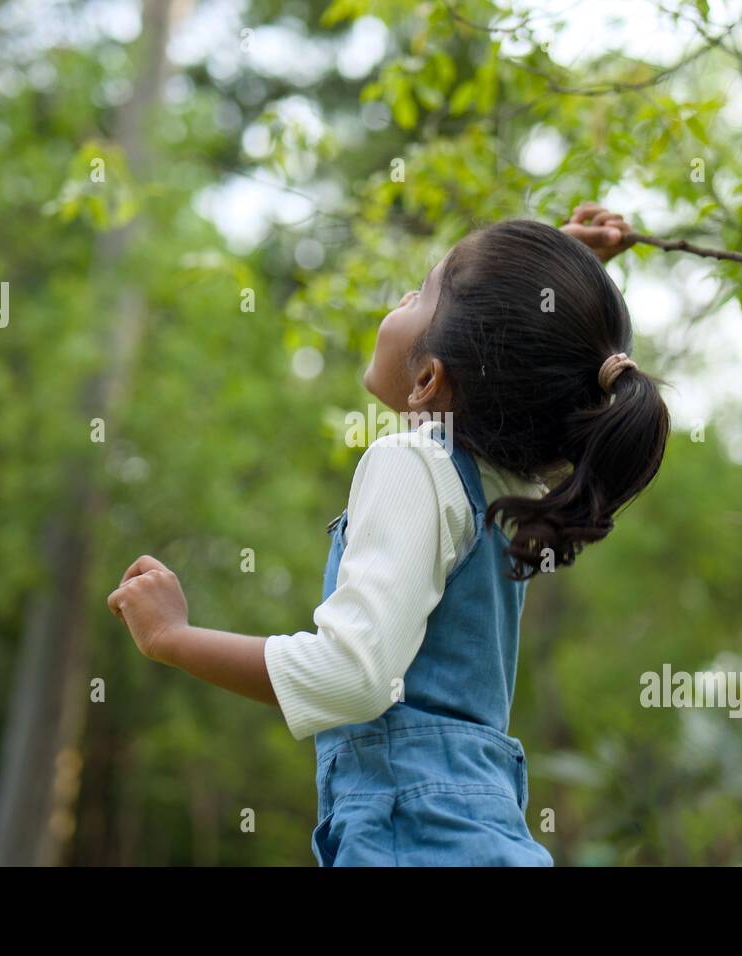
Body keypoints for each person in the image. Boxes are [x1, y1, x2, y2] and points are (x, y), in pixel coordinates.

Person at [107, 203, 671, 865]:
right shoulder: (499, 487)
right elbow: (537, 385)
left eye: (422, 293)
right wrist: (556, 286)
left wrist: (173, 638)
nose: (405, 295)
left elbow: (353, 677)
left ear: (430, 380)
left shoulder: (412, 463)